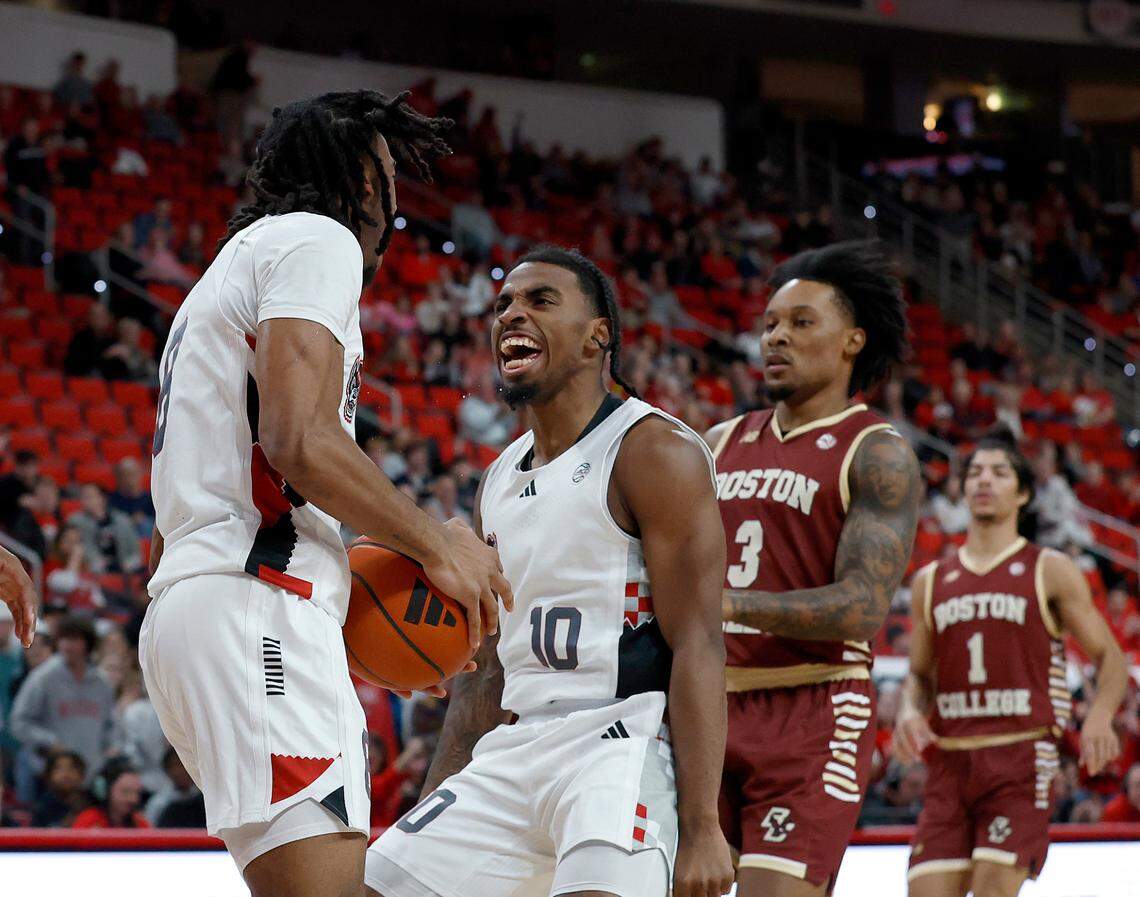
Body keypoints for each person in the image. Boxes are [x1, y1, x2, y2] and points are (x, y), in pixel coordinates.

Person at [137, 90, 509, 897]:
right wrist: (435, 542)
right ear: (363, 182)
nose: (396, 200)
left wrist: (367, 611)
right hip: (253, 605)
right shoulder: (317, 240)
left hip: (215, 608)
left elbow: (247, 478)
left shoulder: (232, 268)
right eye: (389, 175)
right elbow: (298, 440)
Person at [365, 245, 734, 897]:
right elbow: (487, 675)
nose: (512, 313)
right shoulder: (500, 477)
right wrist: (430, 817)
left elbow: (699, 640)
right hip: (516, 747)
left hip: (619, 742)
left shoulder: (653, 450)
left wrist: (704, 827)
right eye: (504, 302)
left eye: (540, 301)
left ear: (599, 336)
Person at [709, 240, 920, 897]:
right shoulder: (716, 441)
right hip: (705, 705)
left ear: (853, 339)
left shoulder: (877, 450)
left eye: (802, 322)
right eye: (770, 323)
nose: (777, 336)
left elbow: (861, 607)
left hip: (815, 707)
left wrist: (727, 605)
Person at [896, 432, 1128, 897]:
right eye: (976, 472)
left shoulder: (1050, 568)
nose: (984, 480)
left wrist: (1101, 716)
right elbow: (920, 676)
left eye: (999, 472)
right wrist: (907, 710)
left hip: (1020, 758)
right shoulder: (931, 580)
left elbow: (1111, 659)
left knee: (992, 891)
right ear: (962, 490)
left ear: (1022, 494)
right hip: (950, 764)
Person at [9, 617, 118, 794]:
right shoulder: (43, 677)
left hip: (91, 775)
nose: (67, 645)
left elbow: (112, 725)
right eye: (63, 639)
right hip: (50, 776)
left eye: (74, 639)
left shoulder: (101, 682)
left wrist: (110, 748)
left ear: (87, 643)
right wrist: (50, 741)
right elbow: (18, 722)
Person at [72, 761, 150, 829]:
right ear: (106, 791)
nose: (133, 799)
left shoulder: (140, 823)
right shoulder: (88, 820)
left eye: (137, 792)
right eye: (125, 792)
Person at [32, 750, 89, 826]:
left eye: (72, 767)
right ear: (49, 776)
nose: (66, 773)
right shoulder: (43, 806)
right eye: (58, 768)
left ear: (82, 775)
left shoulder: (91, 801)